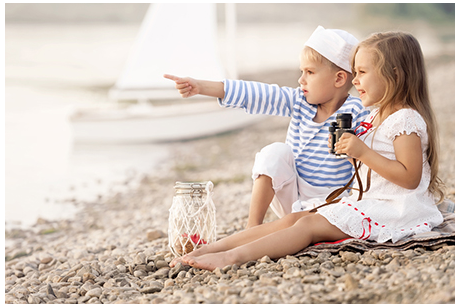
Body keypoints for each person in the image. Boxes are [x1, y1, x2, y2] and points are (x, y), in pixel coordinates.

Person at [169, 31, 445, 271]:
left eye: (361, 73)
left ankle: (232, 256)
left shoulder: (403, 119)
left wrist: (361, 152)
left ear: (394, 75)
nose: (355, 80)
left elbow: (409, 178)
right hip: (367, 202)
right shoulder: (374, 116)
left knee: (306, 227)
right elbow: (258, 93)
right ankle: (211, 248)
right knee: (293, 218)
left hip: (395, 209)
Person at [165, 26, 369, 229]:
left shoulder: (357, 111)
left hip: (333, 203)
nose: (301, 80)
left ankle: (294, 229)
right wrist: (200, 87)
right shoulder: (300, 101)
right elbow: (256, 92)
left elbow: (372, 157)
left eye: (310, 72)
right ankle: (253, 227)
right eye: (301, 71)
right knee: (274, 152)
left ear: (339, 78)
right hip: (293, 198)